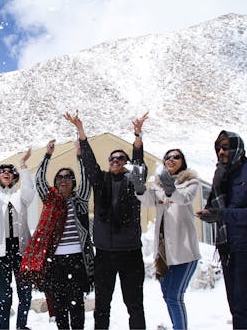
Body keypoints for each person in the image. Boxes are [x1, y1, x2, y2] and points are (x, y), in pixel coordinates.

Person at [65, 112, 147, 329]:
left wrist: (137, 134)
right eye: (112, 158)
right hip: (104, 254)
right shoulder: (101, 180)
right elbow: (89, 161)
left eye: (121, 158)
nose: (116, 161)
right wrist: (81, 132)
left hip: (130, 253)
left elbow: (139, 162)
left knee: (135, 305)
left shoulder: (133, 182)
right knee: (102, 305)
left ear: (126, 164)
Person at [197, 130, 247, 329]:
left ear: (237, 148)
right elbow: (215, 206)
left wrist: (222, 215)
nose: (221, 152)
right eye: (218, 148)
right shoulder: (221, 174)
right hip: (227, 247)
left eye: (225, 147)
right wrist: (209, 214)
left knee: (243, 306)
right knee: (235, 306)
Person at [21, 139, 94, 330]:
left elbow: (87, 179)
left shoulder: (80, 200)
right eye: (60, 177)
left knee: (76, 305)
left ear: (73, 182)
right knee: (60, 306)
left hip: (77, 260)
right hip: (55, 261)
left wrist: (79, 157)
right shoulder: (50, 200)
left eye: (68, 177)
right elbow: (39, 179)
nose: (63, 179)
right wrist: (47, 155)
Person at [134, 149, 201, 329]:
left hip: (184, 251)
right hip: (164, 253)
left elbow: (183, 199)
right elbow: (148, 201)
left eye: (176, 157)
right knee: (167, 295)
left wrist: (168, 185)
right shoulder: (158, 185)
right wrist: (139, 186)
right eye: (168, 157)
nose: (171, 159)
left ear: (183, 161)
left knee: (174, 296)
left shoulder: (191, 182)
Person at [0, 146, 34, 330]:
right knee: (5, 296)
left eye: (10, 172)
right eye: (2, 171)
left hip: (21, 250)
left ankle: (21, 326)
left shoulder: (20, 196)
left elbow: (29, 191)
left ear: (14, 176)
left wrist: (23, 165)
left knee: (25, 293)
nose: (6, 173)